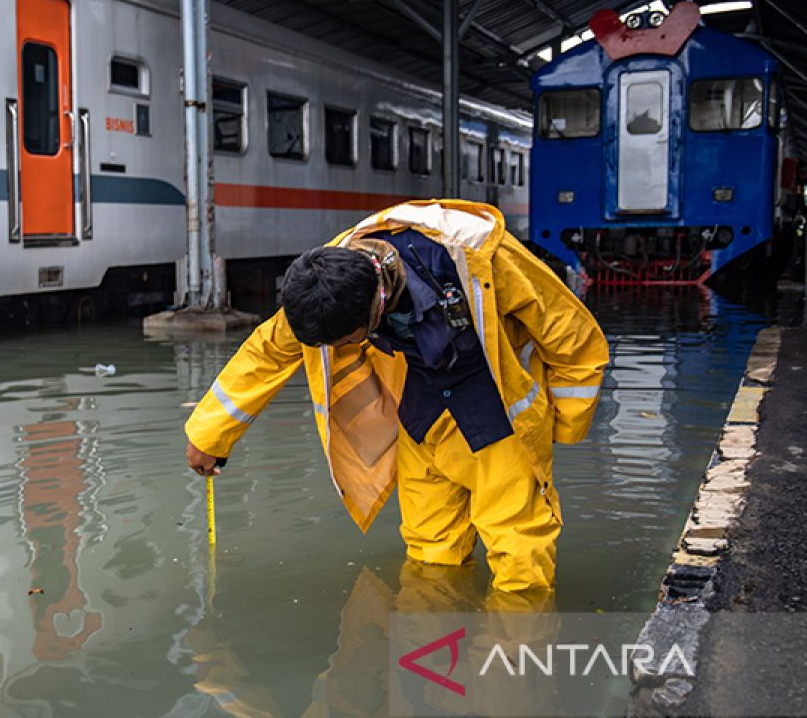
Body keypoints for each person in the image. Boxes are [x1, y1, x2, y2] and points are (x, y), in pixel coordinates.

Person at [184, 200, 609, 593]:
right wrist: (209, 435)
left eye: (338, 342)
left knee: (520, 561)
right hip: (422, 421)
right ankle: (435, 663)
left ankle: (515, 665)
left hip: (496, 422)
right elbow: (269, 349)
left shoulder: (477, 253)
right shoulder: (328, 276)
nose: (329, 351)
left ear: (371, 312)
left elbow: (568, 330)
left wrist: (562, 425)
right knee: (430, 556)